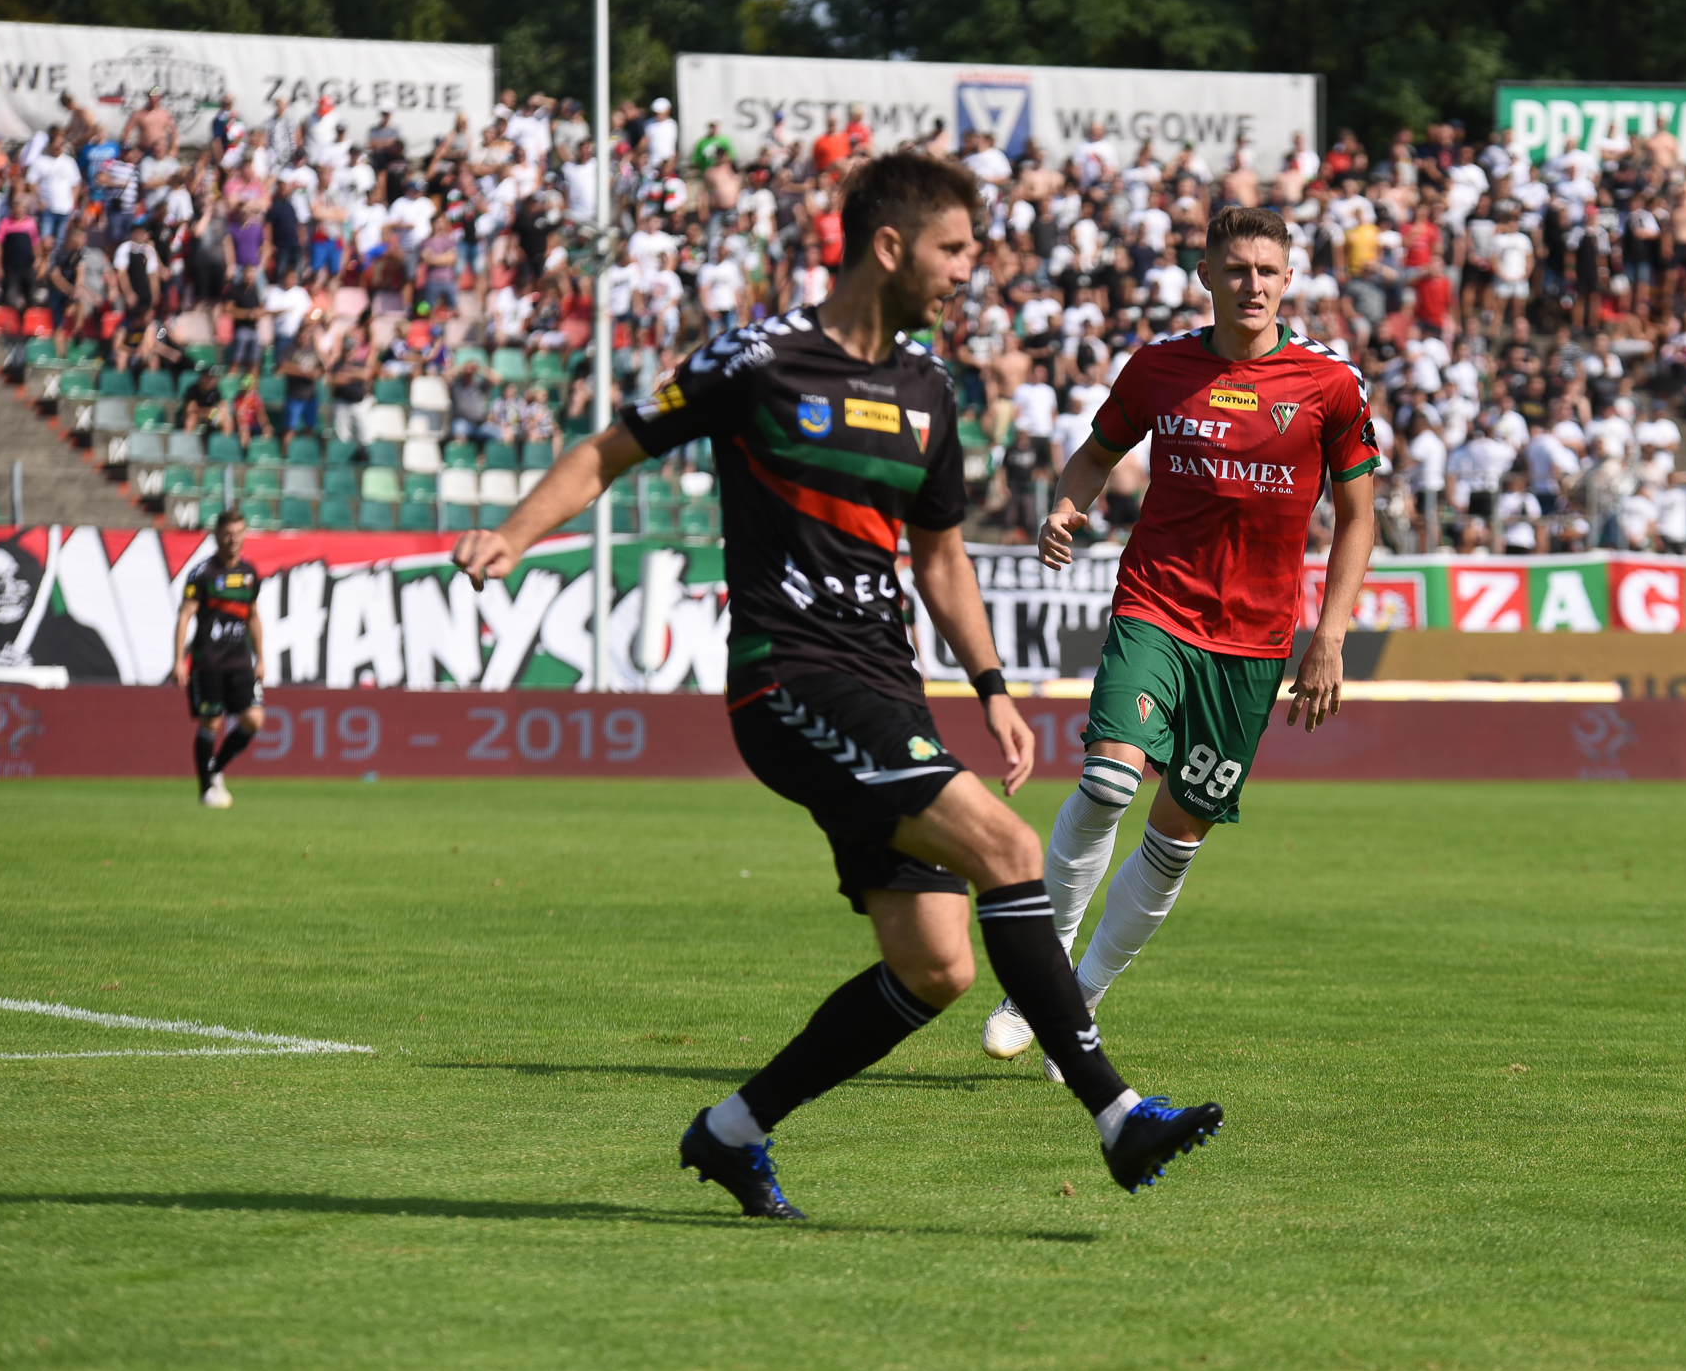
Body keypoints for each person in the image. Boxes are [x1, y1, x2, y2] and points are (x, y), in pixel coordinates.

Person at [451, 151, 1220, 1216]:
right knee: (1007, 850)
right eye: (954, 249)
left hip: (886, 688)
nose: (968, 271)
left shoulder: (926, 389)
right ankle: (1118, 1115)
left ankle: (732, 1132)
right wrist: (511, 534)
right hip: (789, 678)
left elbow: (939, 558)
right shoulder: (758, 360)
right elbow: (610, 451)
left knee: (936, 967)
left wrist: (991, 685)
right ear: (890, 246)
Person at [977, 204, 1378, 1081]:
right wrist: (1065, 506)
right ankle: (1038, 982)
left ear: (1289, 278)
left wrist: (1330, 636)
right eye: (1236, 268)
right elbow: (1094, 455)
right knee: (1108, 779)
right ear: (1205, 275)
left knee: (1175, 838)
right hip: (1156, 607)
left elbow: (1357, 518)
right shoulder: (1159, 368)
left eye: (1267, 270)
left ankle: (1081, 1000)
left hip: (1253, 645)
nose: (1252, 284)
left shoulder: (1332, 386)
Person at [173, 511, 268, 809]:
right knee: (211, 722)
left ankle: (215, 769)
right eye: (227, 533)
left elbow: (253, 616)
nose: (233, 539)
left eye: (238, 533)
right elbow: (185, 615)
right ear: (216, 535)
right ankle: (206, 790)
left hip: (239, 662)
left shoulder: (249, 574)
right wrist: (179, 660)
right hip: (209, 662)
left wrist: (261, 657)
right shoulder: (202, 573)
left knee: (254, 719)